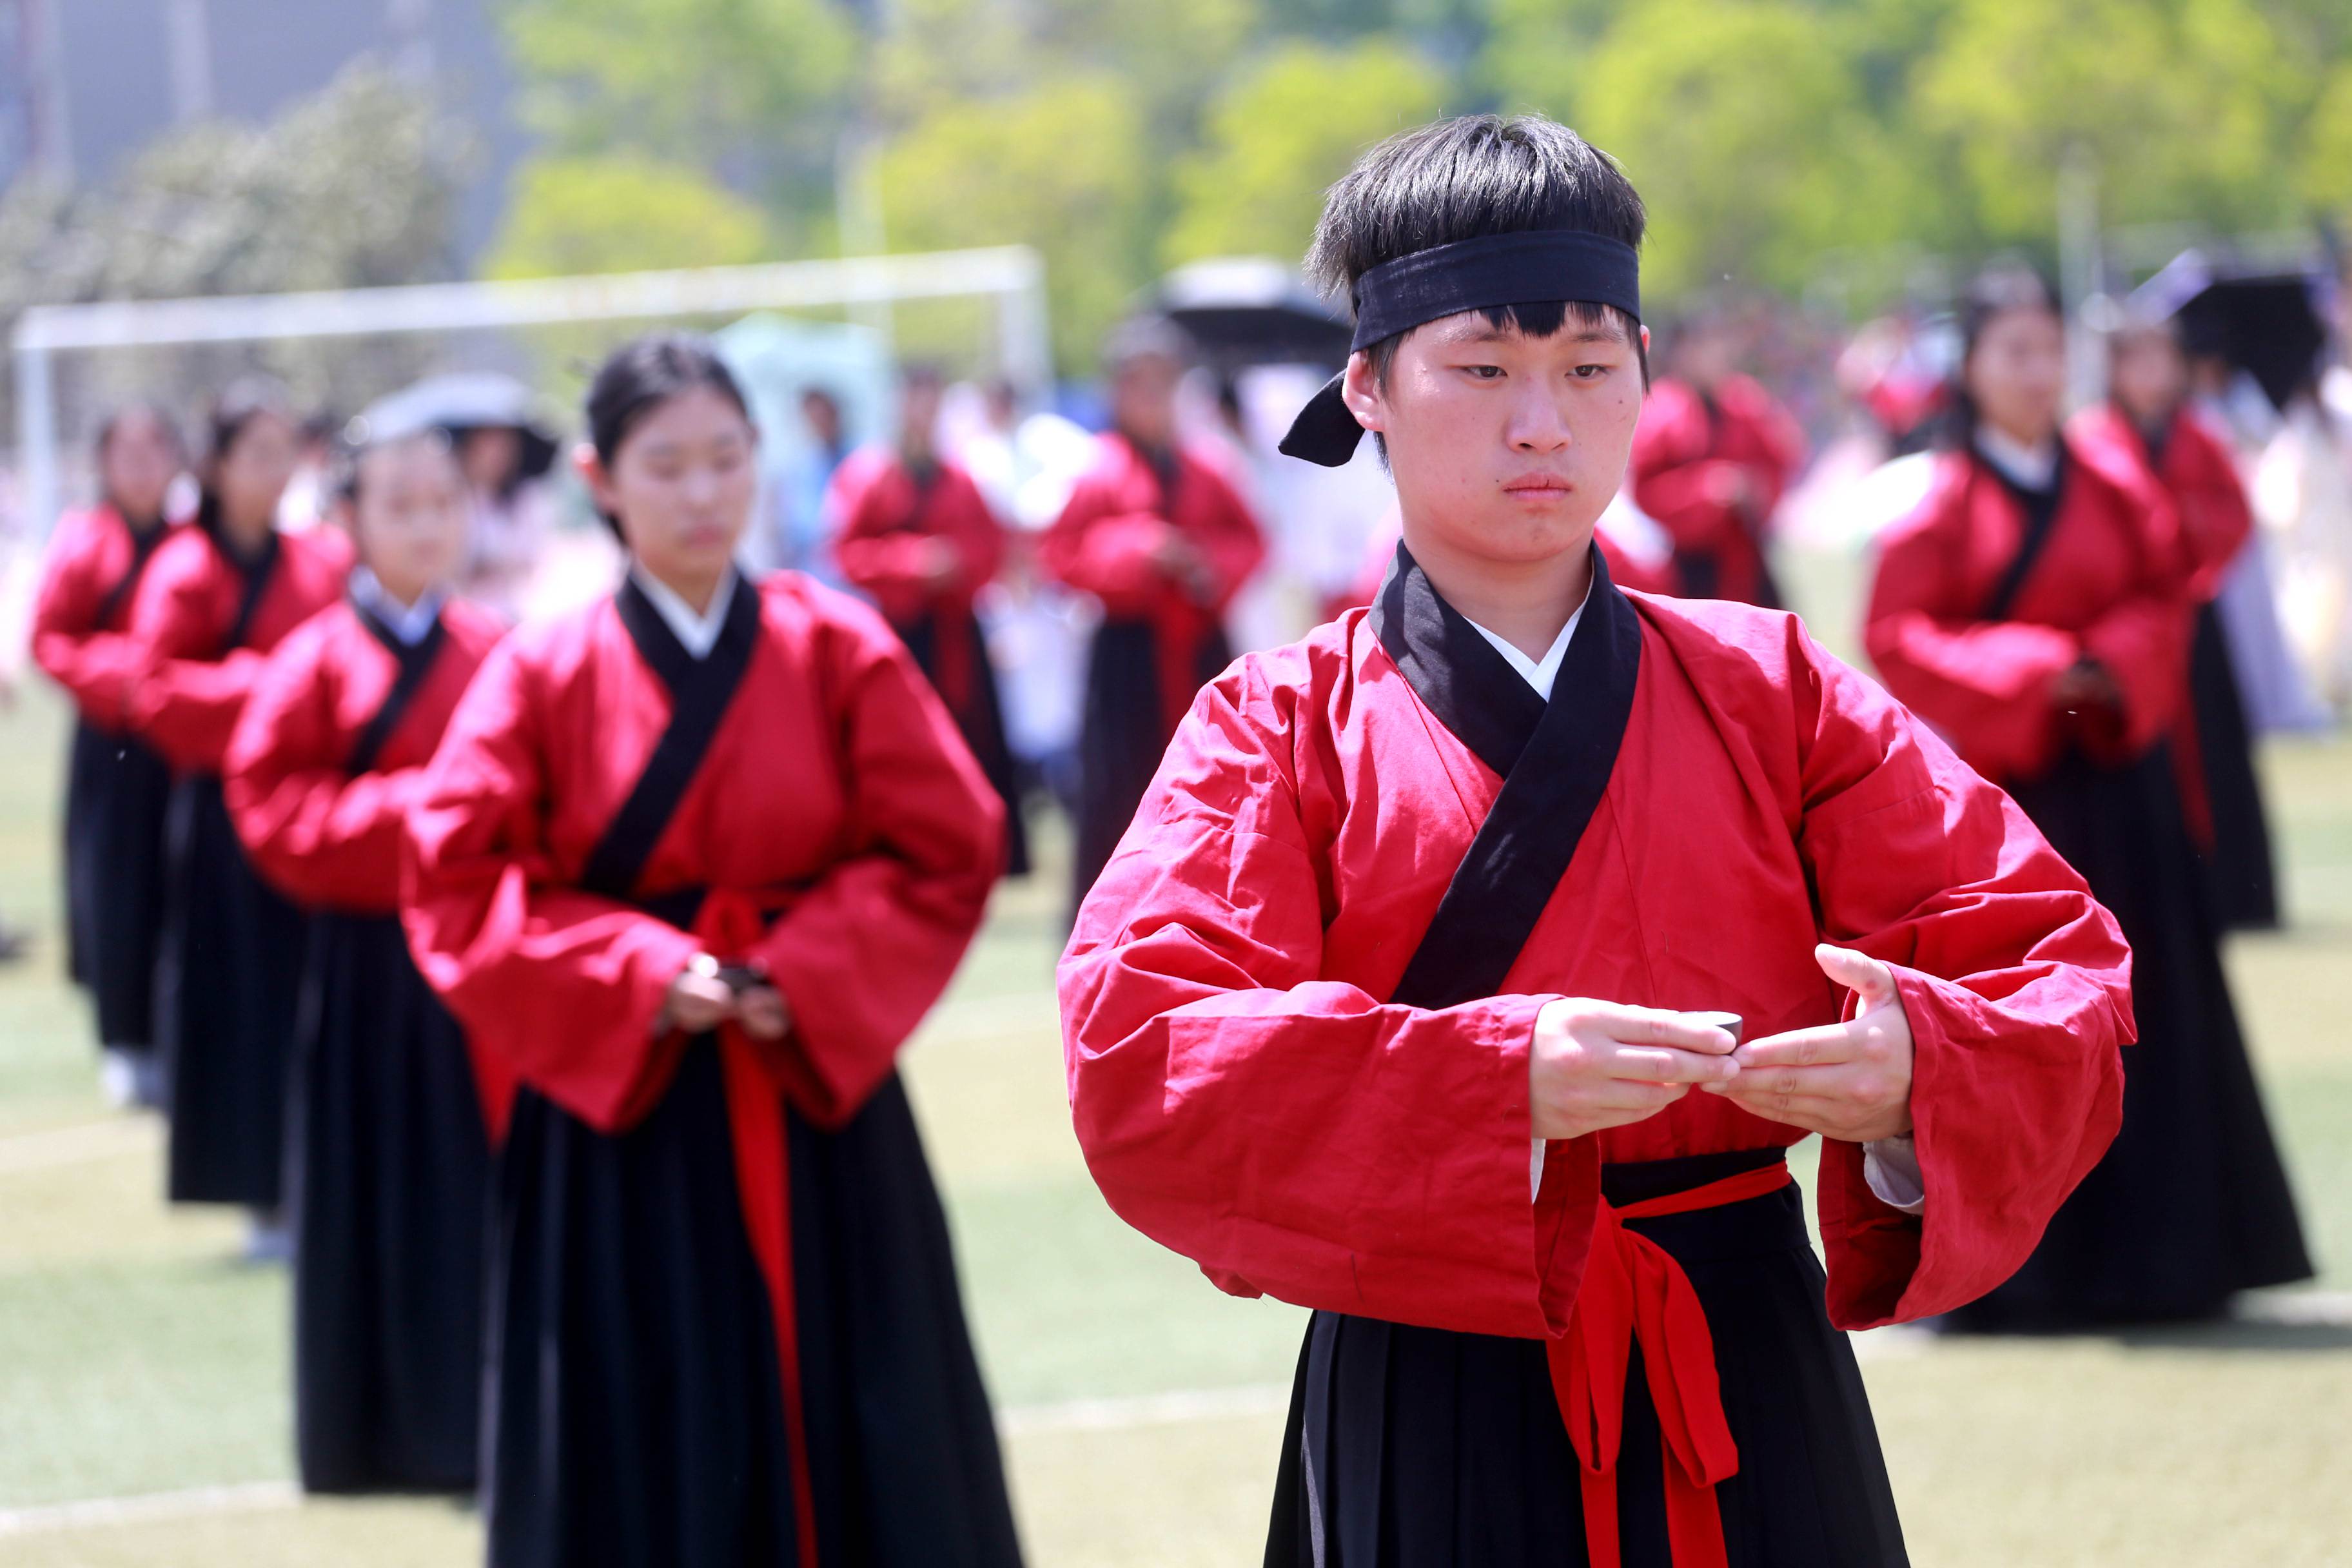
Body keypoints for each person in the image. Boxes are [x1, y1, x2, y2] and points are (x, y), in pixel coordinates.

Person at [1059, 115, 2135, 1568]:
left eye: (1587, 367)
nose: (1542, 424)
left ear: (1643, 366)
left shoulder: (1774, 686)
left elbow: (2054, 962)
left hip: (1746, 1354)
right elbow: (1147, 1050)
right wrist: (1493, 1085)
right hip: (1428, 1370)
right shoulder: (1276, 722)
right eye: (1485, 369)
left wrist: (1914, 1078)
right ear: (1368, 386)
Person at [403, 334, 1022, 1567]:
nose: (700, 494)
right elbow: (457, 876)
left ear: (759, 464)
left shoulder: (834, 645)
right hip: (619, 1111)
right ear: (601, 476)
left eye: (725, 460)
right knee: (635, 1413)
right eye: (665, 464)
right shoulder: (542, 666)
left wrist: (802, 971)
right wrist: (634, 973)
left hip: (813, 1087)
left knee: (866, 1402)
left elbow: (947, 841)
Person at [1867, 266, 2311, 1329]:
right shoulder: (1933, 499)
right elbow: (1899, 638)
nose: (2034, 372)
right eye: (2010, 351)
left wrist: (2103, 665)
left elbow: (2167, 594)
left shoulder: (2115, 485)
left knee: (2145, 1014)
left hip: (2120, 784)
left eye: (2047, 350)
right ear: (1968, 370)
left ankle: (2173, 1257)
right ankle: (2019, 1274)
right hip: (2005, 810)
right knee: (2016, 1026)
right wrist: (2035, 671)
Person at [222, 418, 507, 1493]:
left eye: (443, 502)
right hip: (360, 968)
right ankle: (370, 1436)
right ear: (346, 521)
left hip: (483, 965)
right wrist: (422, 815)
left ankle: (483, 1421)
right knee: (368, 1190)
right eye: (400, 504)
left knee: (482, 1191)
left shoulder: (495, 647)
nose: (429, 525)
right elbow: (268, 806)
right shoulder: (310, 660)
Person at [127, 380, 347, 1252]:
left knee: (313, 994)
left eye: (284, 450)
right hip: (221, 818)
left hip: (306, 811)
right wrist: (273, 688)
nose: (275, 469)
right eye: (256, 453)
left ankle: (320, 1180)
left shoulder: (320, 560)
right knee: (238, 997)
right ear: (216, 468)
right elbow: (154, 691)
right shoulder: (183, 569)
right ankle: (258, 1195)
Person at [1042, 316, 1264, 912]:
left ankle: (1217, 902)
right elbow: (1061, 557)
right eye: (1141, 385)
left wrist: (1204, 565)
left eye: (1165, 384)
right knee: (1122, 787)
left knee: (1215, 776)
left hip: (1197, 643)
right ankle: (1117, 912)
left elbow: (1251, 541)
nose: (1154, 399)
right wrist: (1138, 551)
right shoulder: (1096, 468)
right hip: (1128, 653)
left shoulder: (1208, 466)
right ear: (1116, 391)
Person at [2070, 316, 2282, 931]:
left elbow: (2234, 515)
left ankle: (2237, 890)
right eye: (2138, 361)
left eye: (2161, 360)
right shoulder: (2095, 439)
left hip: (2193, 611)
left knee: (2216, 748)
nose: (2152, 375)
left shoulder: (2198, 435)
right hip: (2133, 625)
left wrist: (2184, 541)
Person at [31, 404, 186, 1107]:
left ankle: (179, 1032)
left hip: (181, 746)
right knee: (114, 892)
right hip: (112, 747)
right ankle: (124, 1040)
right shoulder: (83, 540)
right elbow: (49, 641)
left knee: (182, 886)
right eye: (128, 452)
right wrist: (128, 681)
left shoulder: (193, 544)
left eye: (155, 450)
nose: (143, 466)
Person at [832, 365, 1029, 875]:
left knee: (971, 737)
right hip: (898, 633)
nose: (922, 413)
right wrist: (912, 563)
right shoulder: (871, 476)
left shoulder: (961, 479)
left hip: (955, 631)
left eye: (931, 400)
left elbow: (991, 547)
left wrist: (955, 565)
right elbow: (849, 552)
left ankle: (980, 845)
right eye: (914, 400)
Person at [1629, 306, 1805, 604]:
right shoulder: (1661, 408)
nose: (1714, 355)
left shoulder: (1746, 400)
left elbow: (1782, 457)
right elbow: (1645, 491)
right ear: (1681, 352)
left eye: (1719, 345)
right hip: (1685, 557)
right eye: (1703, 346)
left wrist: (1755, 490)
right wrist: (1708, 491)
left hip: (1745, 550)